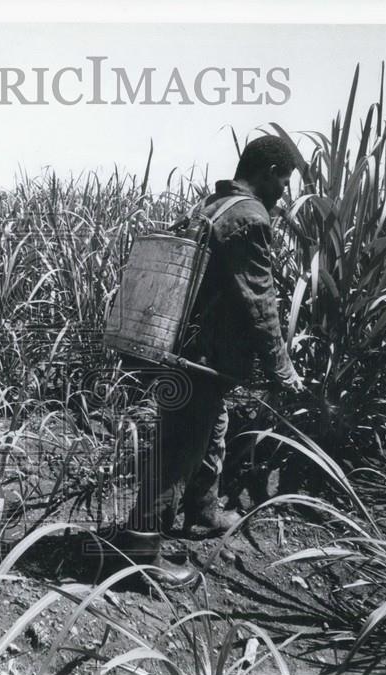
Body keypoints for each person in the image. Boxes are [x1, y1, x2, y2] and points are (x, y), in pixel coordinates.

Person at [110, 135, 306, 587]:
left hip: (182, 345)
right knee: (179, 448)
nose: (284, 190)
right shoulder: (250, 218)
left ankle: (202, 508)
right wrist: (282, 368)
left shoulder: (213, 205)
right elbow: (260, 302)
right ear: (265, 170)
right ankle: (141, 557)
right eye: (283, 178)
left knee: (211, 425)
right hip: (201, 356)